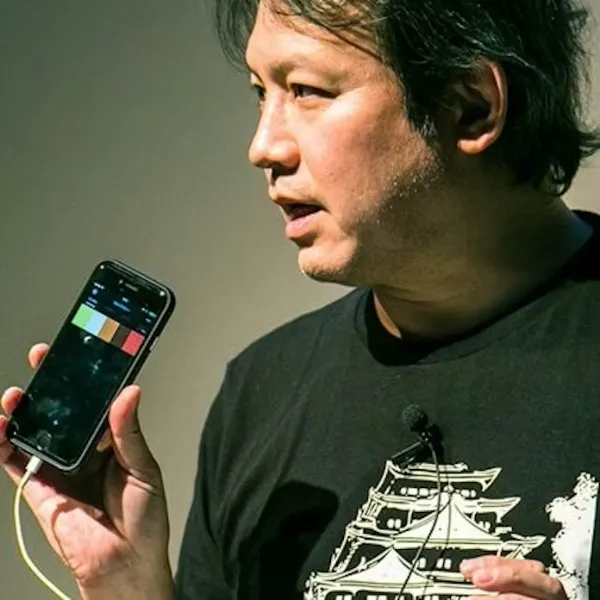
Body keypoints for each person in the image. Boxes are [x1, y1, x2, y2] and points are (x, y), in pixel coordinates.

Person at [2, 0, 600, 597]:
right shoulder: (261, 392)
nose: (263, 147)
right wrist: (129, 586)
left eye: (308, 91)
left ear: (472, 106)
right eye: (261, 93)